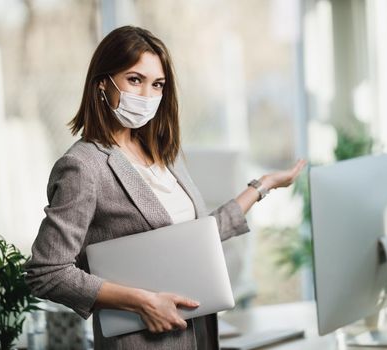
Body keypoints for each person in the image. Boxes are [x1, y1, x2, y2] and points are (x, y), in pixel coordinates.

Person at [25, 25, 306, 350]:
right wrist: (140, 302)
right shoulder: (83, 166)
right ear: (102, 82)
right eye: (135, 80)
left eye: (157, 84)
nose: (147, 96)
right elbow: (46, 272)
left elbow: (195, 238)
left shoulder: (162, 155)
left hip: (199, 335)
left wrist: (262, 185)